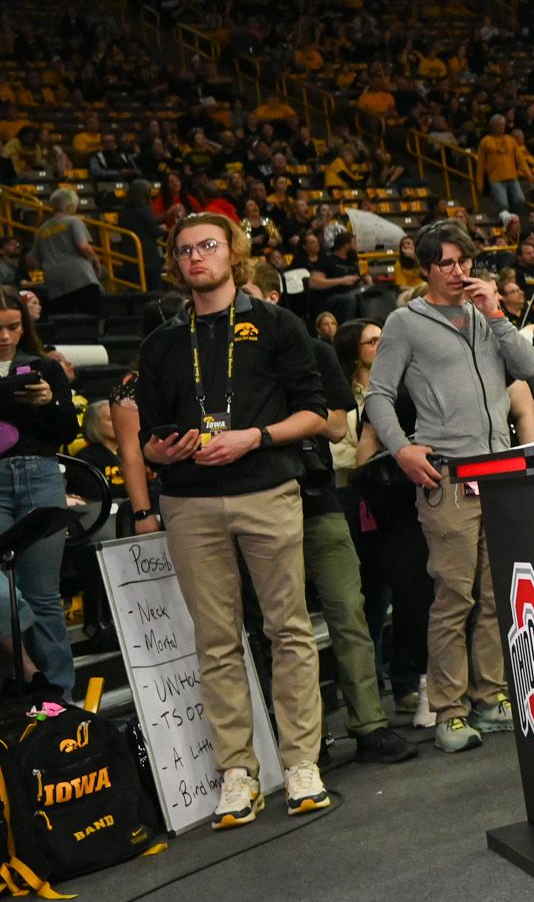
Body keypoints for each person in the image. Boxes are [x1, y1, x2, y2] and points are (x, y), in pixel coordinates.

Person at [133, 214, 332, 828]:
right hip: (190, 502)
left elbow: (317, 415)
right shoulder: (162, 342)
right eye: (186, 250)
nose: (197, 257)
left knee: (289, 629)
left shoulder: (276, 324)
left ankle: (302, 762)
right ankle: (238, 772)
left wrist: (254, 437)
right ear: (176, 262)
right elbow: (144, 440)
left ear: (233, 254)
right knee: (216, 642)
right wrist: (159, 452)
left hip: (266, 489)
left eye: (209, 246)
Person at [361, 220, 534, 754]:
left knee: (492, 596)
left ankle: (489, 698)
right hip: (449, 475)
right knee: (453, 596)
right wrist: (402, 448)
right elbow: (378, 395)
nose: (459, 271)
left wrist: (497, 315)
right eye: (447, 263)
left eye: (465, 261)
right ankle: (449, 709)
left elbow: (528, 368)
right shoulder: (405, 322)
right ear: (426, 268)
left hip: (497, 474)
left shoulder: (486, 318)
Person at [243, 270, 415, 765]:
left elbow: (338, 427)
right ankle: (306, 741)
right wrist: (293, 428)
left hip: (317, 497)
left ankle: (370, 724)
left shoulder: (313, 352)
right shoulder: (227, 367)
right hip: (256, 501)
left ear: (272, 297)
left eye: (249, 294)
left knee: (349, 611)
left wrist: (267, 434)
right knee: (280, 626)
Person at [336, 319, 431, 726]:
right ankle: (373, 694)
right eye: (371, 341)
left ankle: (412, 683)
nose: (380, 345)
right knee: (375, 599)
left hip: (416, 499)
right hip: (371, 500)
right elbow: (350, 456)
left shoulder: (415, 382)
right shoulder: (349, 396)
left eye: (383, 339)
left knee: (415, 593)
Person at [0, 286, 79, 696]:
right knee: (10, 593)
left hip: (41, 475)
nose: (5, 336)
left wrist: (49, 401)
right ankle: (29, 680)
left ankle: (60, 700)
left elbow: (69, 431)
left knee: (43, 595)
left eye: (13, 326)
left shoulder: (45, 368)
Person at [30, 189, 102, 318]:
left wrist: (48, 265)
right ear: (70, 206)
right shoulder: (73, 221)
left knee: (63, 320)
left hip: (54, 280)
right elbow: (83, 246)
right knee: (92, 315)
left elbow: (31, 259)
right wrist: (96, 260)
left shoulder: (41, 230)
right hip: (80, 276)